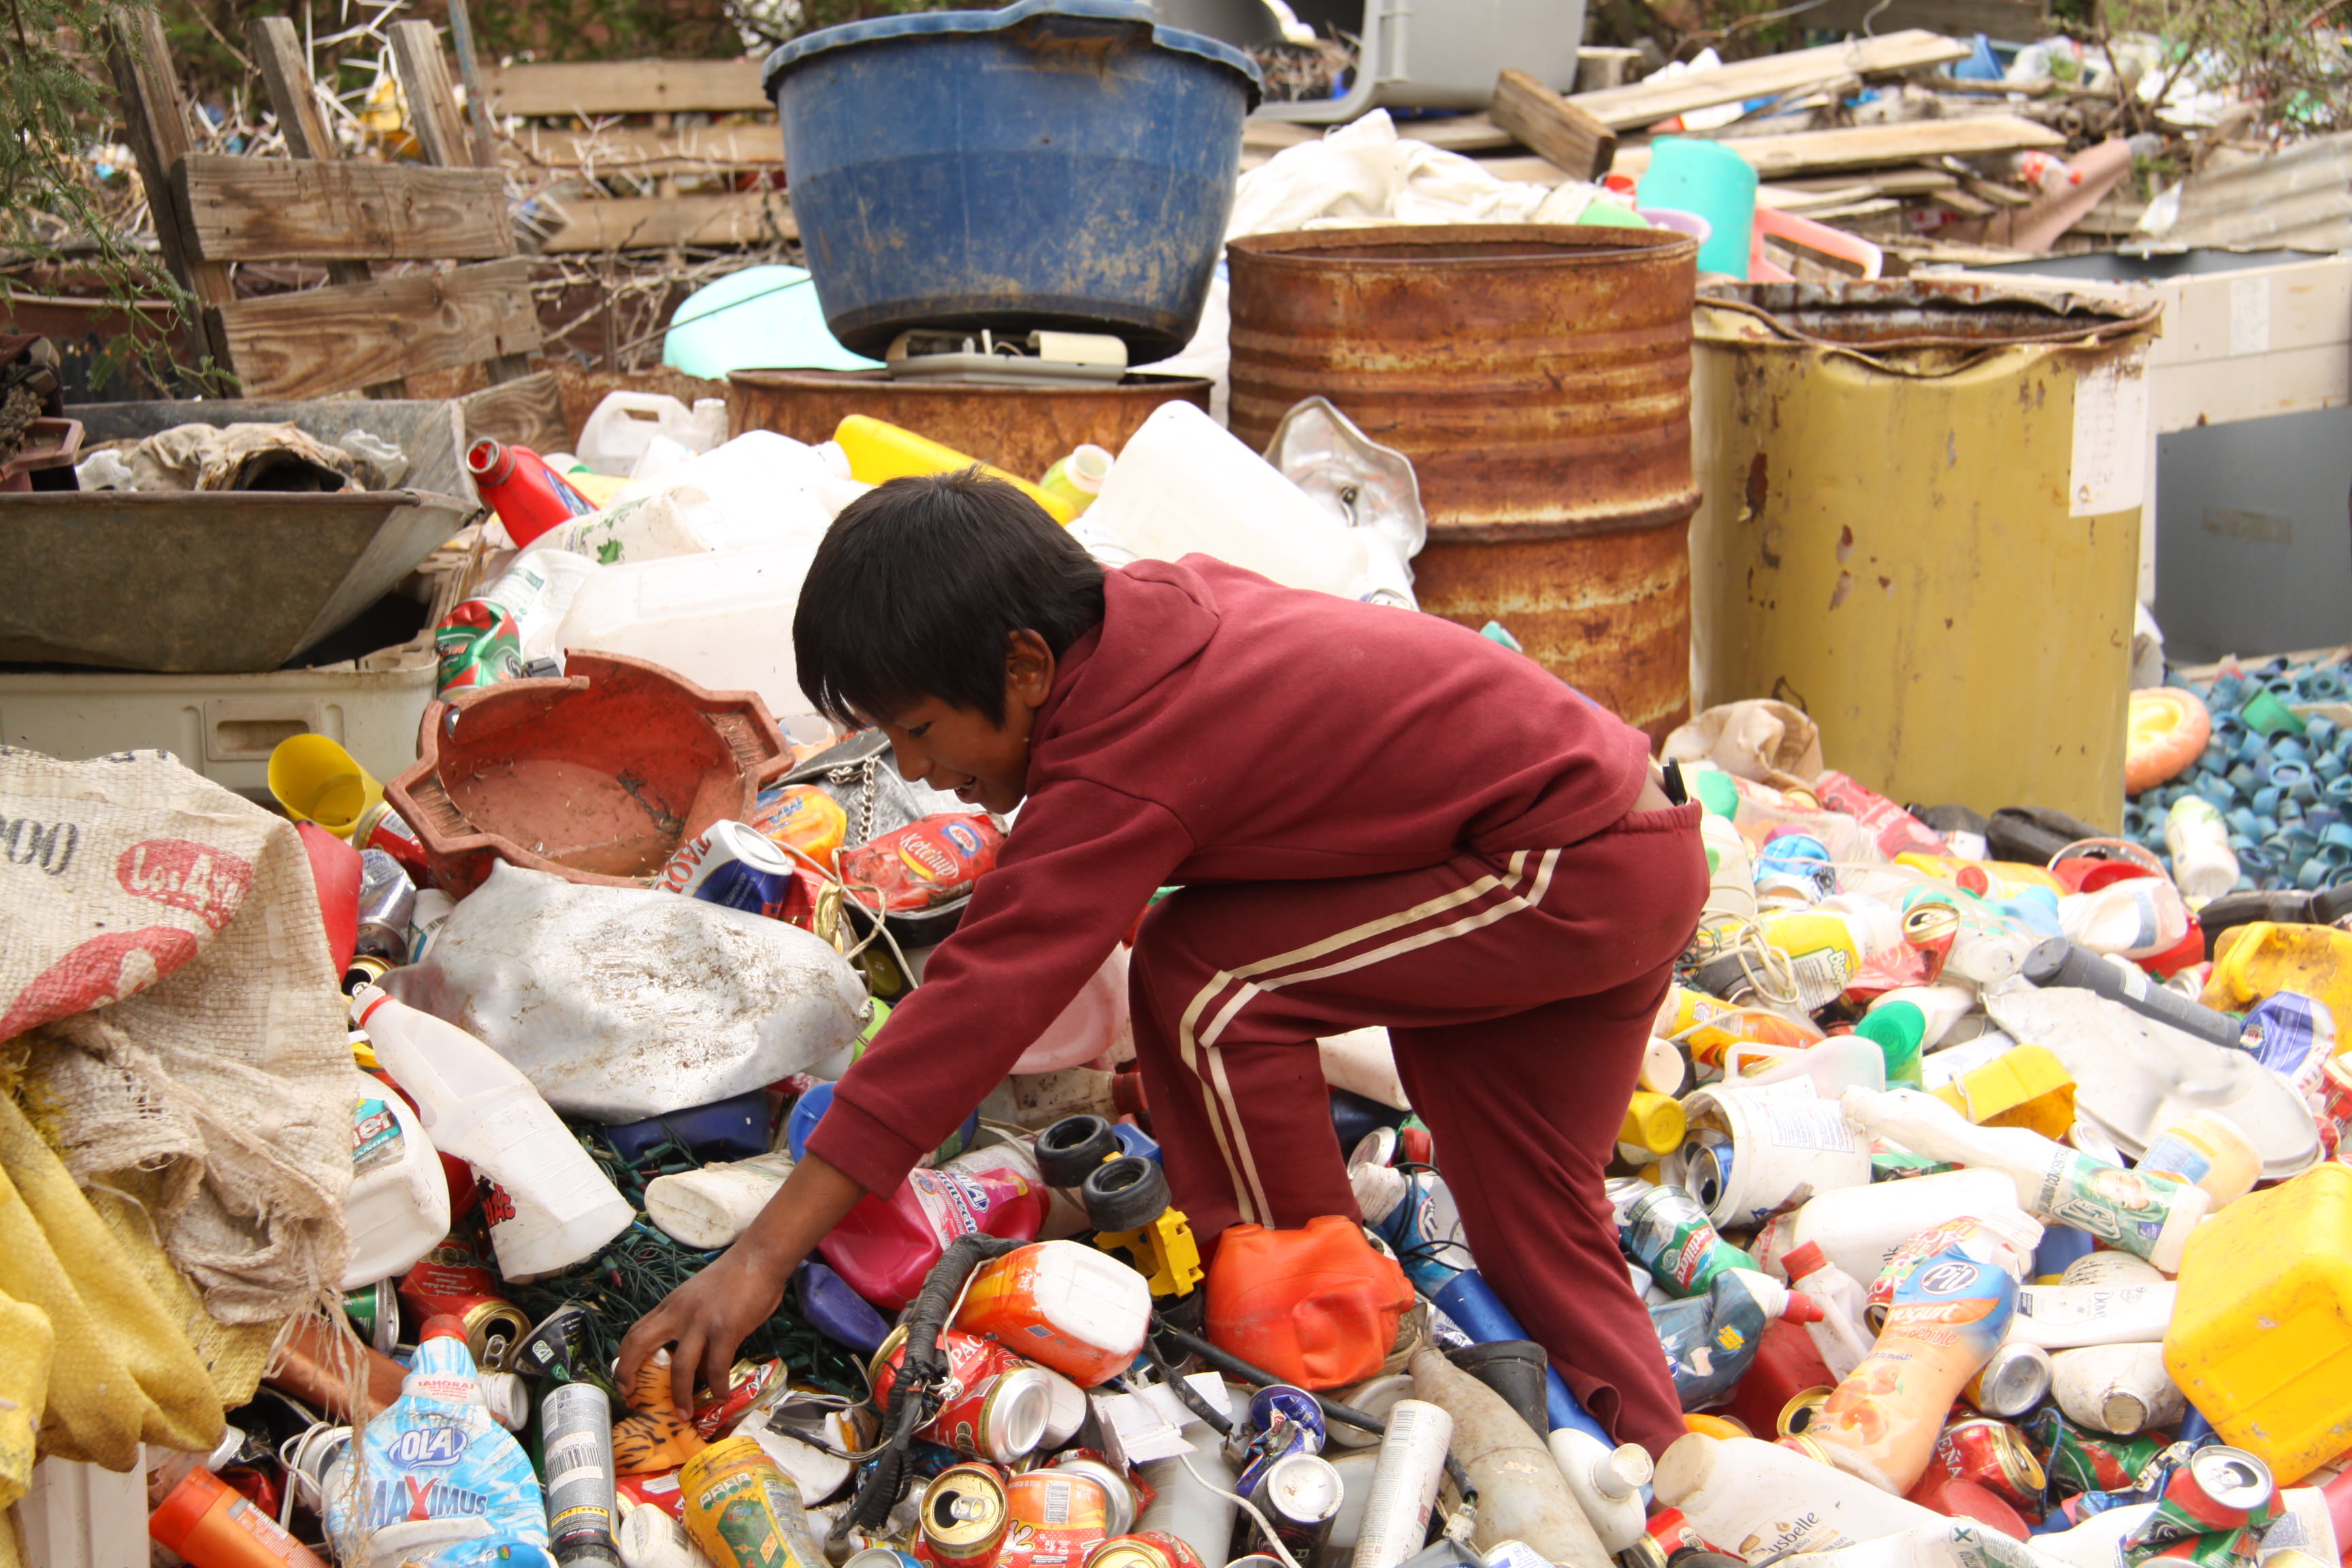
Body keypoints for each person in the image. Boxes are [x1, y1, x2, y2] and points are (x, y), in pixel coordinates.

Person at [617, 469, 1707, 1456]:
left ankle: (1317, 1343)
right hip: (1617, 836)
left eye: (922, 728)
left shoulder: (1126, 741)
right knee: (1533, 1218)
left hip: (1563, 865)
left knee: (1214, 987)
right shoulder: (1150, 623)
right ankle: (1663, 1489)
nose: (920, 770)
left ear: (1027, 665)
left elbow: (983, 997)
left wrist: (759, 1259)